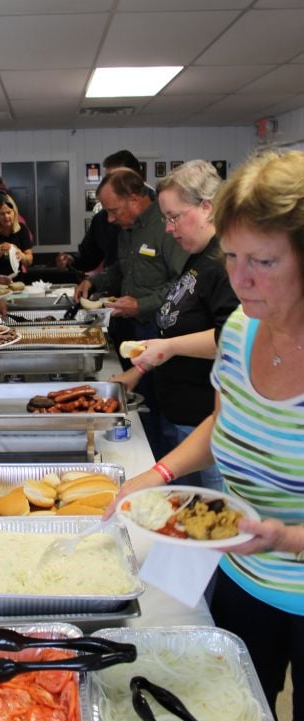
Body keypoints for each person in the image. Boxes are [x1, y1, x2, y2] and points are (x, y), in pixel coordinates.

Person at [111, 150, 304, 721]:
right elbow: (226, 419)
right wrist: (158, 472)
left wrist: (287, 537)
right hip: (243, 581)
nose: (240, 279)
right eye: (234, 256)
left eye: (264, 261)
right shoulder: (243, 329)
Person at [111, 160, 239, 489]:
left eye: (174, 217)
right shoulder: (200, 258)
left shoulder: (226, 265)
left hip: (205, 424)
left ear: (207, 208)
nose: (169, 228)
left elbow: (231, 339)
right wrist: (138, 370)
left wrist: (168, 347)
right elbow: (176, 329)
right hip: (182, 416)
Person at [75, 168, 189, 459]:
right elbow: (121, 270)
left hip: (166, 334)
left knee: (165, 416)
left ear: (135, 199)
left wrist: (143, 304)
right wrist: (93, 280)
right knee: (144, 409)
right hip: (139, 332)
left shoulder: (165, 228)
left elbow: (183, 283)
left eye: (113, 210)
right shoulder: (127, 231)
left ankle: (169, 475)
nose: (110, 219)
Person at [56, 149, 153, 274]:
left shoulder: (164, 215)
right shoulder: (103, 219)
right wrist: (72, 260)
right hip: (115, 291)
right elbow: (90, 256)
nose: (108, 184)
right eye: (107, 178)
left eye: (114, 179)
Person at [0, 194, 33, 276]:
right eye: (2, 214)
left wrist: (22, 256)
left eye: (9, 212)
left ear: (14, 212)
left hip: (18, 278)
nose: (6, 216)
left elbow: (30, 260)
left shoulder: (22, 229)